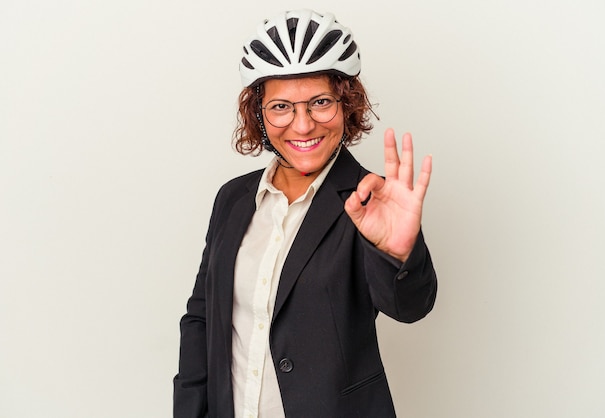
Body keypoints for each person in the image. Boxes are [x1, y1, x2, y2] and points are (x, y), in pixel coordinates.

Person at [173, 9, 437, 418]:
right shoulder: (233, 199)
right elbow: (202, 318)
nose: (302, 125)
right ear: (258, 113)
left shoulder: (371, 201)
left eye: (320, 102)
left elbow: (410, 307)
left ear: (346, 104)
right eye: (281, 106)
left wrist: (399, 253)